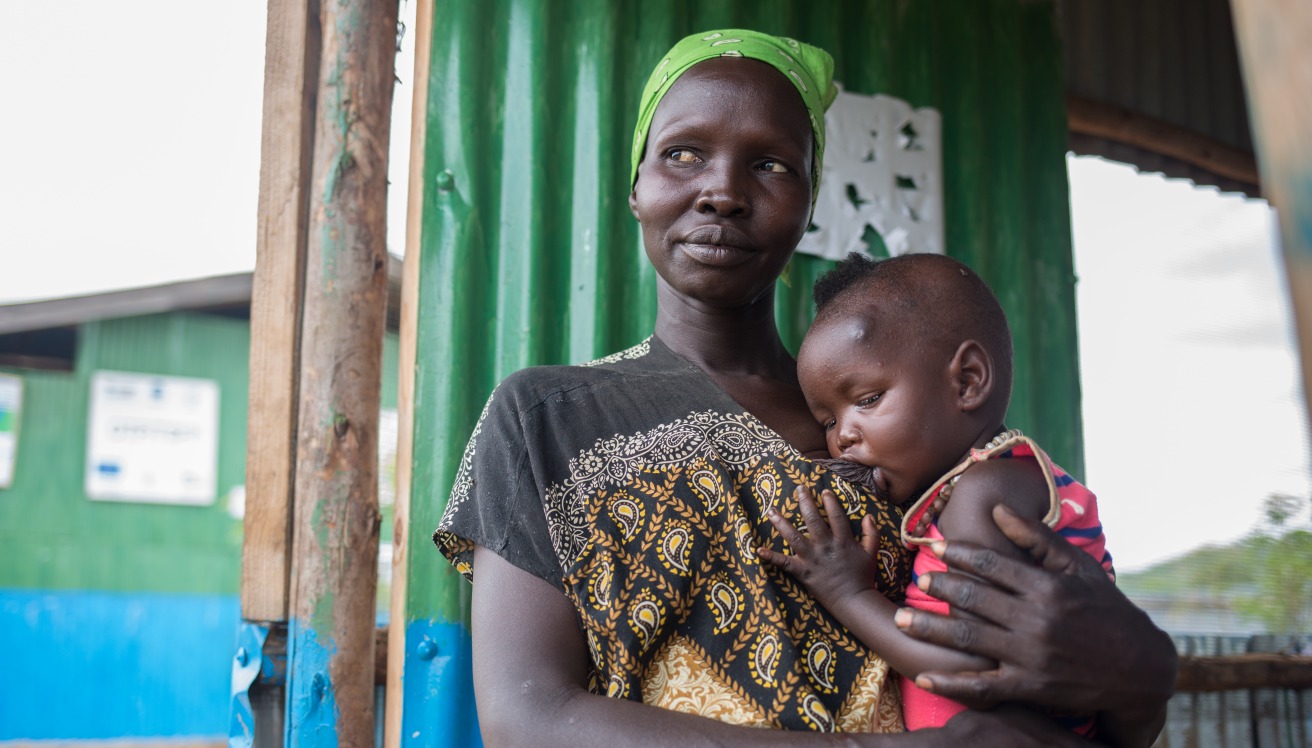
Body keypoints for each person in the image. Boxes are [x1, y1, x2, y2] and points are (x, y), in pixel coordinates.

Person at [433, 28, 1176, 746]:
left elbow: (1077, 698)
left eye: (772, 165)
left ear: (811, 202)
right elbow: (527, 720)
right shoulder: (546, 418)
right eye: (682, 154)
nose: (721, 191)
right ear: (637, 186)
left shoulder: (909, 434)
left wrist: (1142, 675)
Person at [760, 252, 1125, 739]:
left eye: (867, 400)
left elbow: (970, 669)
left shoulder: (985, 493)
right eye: (829, 421)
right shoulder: (1002, 481)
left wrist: (850, 594)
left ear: (968, 380)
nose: (842, 437)